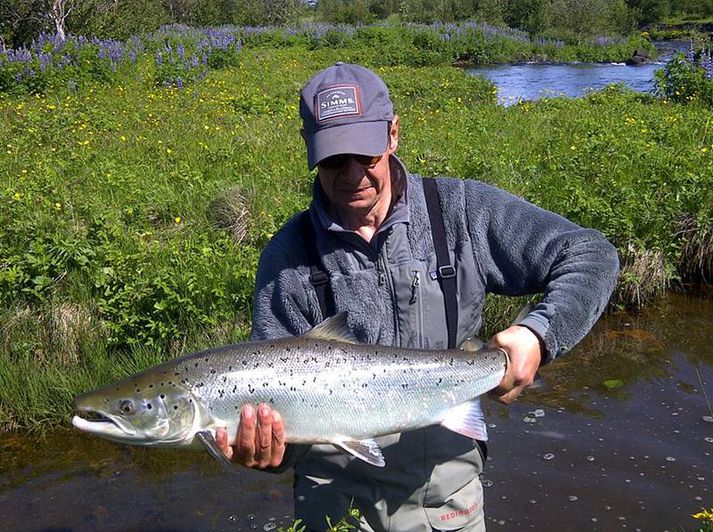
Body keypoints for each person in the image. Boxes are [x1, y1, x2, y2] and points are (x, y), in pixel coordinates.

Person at [216, 62, 619, 531]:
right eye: (332, 160)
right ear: (310, 151)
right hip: (333, 507)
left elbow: (592, 255)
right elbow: (281, 440)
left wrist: (538, 334)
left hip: (447, 503)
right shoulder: (287, 259)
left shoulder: (462, 212)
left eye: (365, 155)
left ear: (392, 135)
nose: (351, 176)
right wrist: (268, 452)